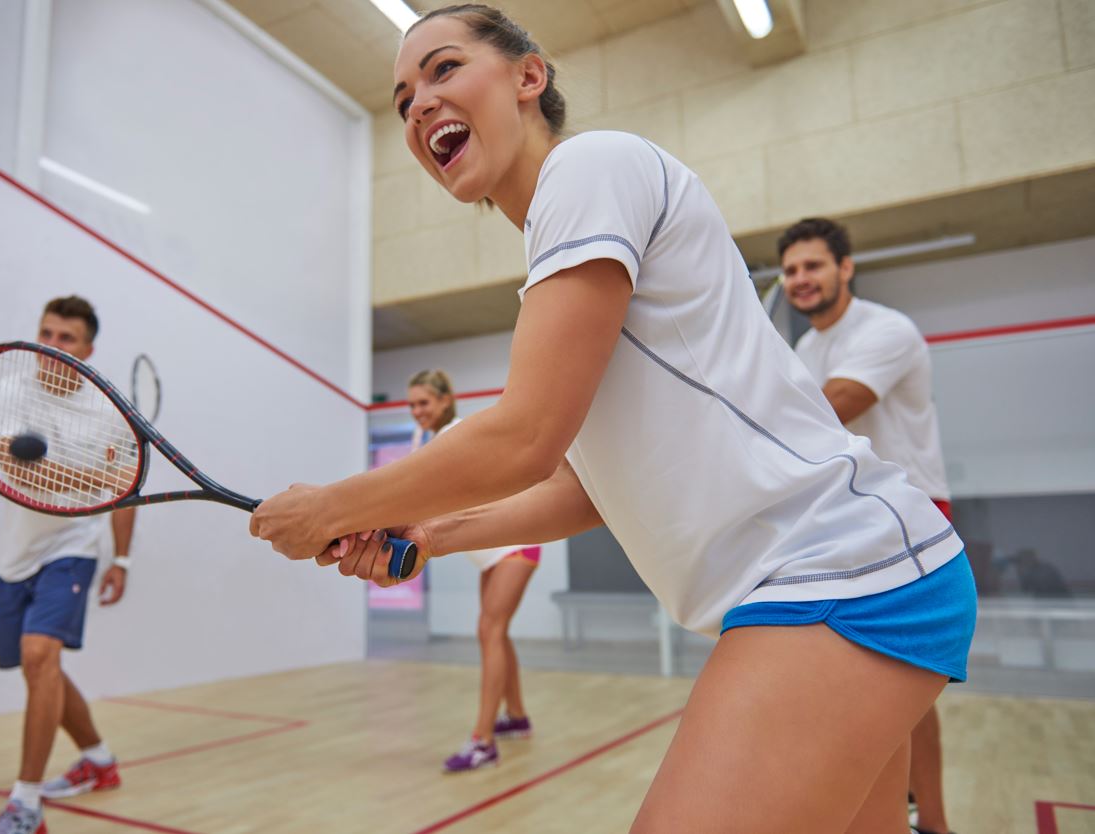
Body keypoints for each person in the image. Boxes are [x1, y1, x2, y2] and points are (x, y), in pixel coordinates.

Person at [251, 5, 976, 832]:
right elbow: (583, 491)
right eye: (402, 93)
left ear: (530, 76)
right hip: (849, 575)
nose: (416, 103)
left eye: (443, 69)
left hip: (840, 575)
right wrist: (425, 532)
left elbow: (526, 436)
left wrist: (338, 505)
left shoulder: (589, 168)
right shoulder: (571, 251)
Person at [780, 218, 958, 834]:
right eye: (793, 269)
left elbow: (833, 413)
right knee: (860, 683)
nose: (801, 279)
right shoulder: (805, 349)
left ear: (845, 267)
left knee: (906, 689)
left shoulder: (887, 330)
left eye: (814, 266)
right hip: (847, 521)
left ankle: (932, 823)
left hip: (912, 517)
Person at [0, 296, 136, 834]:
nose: (50, 347)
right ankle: (97, 759)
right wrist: (98, 484)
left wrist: (120, 557)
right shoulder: (3, 392)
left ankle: (26, 803)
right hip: (15, 554)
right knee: (41, 667)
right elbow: (11, 466)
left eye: (65, 338)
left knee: (38, 655)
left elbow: (125, 499)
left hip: (73, 547)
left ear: (88, 349)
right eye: (45, 333)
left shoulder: (109, 414)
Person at [407, 369, 539, 772]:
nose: (417, 412)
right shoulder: (424, 440)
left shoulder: (458, 434)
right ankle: (515, 716)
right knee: (495, 630)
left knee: (489, 630)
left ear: (446, 400)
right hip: (488, 554)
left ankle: (483, 742)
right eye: (411, 405)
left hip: (515, 545)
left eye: (424, 403)